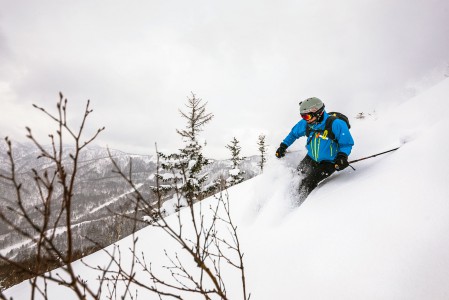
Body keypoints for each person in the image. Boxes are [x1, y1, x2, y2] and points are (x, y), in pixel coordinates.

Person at [275, 97, 354, 205]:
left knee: (307, 184)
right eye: (302, 116)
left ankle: (296, 208)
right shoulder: (307, 124)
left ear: (318, 112)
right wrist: (283, 146)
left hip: (329, 163)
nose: (305, 119)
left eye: (307, 116)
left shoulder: (336, 124)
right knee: (296, 177)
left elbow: (346, 143)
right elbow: (293, 134)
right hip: (311, 158)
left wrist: (342, 157)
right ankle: (285, 201)